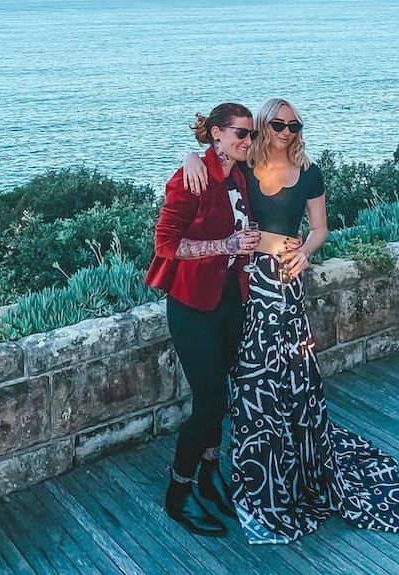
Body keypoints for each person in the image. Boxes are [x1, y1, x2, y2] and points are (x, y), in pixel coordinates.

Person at [183, 98, 399, 544]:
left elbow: (320, 228)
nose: (286, 131)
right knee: (252, 374)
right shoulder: (244, 166)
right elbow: (214, 156)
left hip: (286, 281)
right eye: (277, 124)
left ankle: (288, 461)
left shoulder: (309, 172)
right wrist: (188, 156)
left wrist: (306, 251)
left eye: (294, 125)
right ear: (261, 126)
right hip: (245, 283)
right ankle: (248, 465)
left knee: (291, 372)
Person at [145, 103, 262, 537]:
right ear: (216, 133)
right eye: (241, 134)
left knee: (221, 397)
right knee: (211, 402)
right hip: (192, 307)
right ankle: (178, 494)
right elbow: (165, 245)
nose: (249, 141)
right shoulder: (190, 178)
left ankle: (211, 479)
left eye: (251, 134)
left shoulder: (239, 173)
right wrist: (226, 243)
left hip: (231, 301)